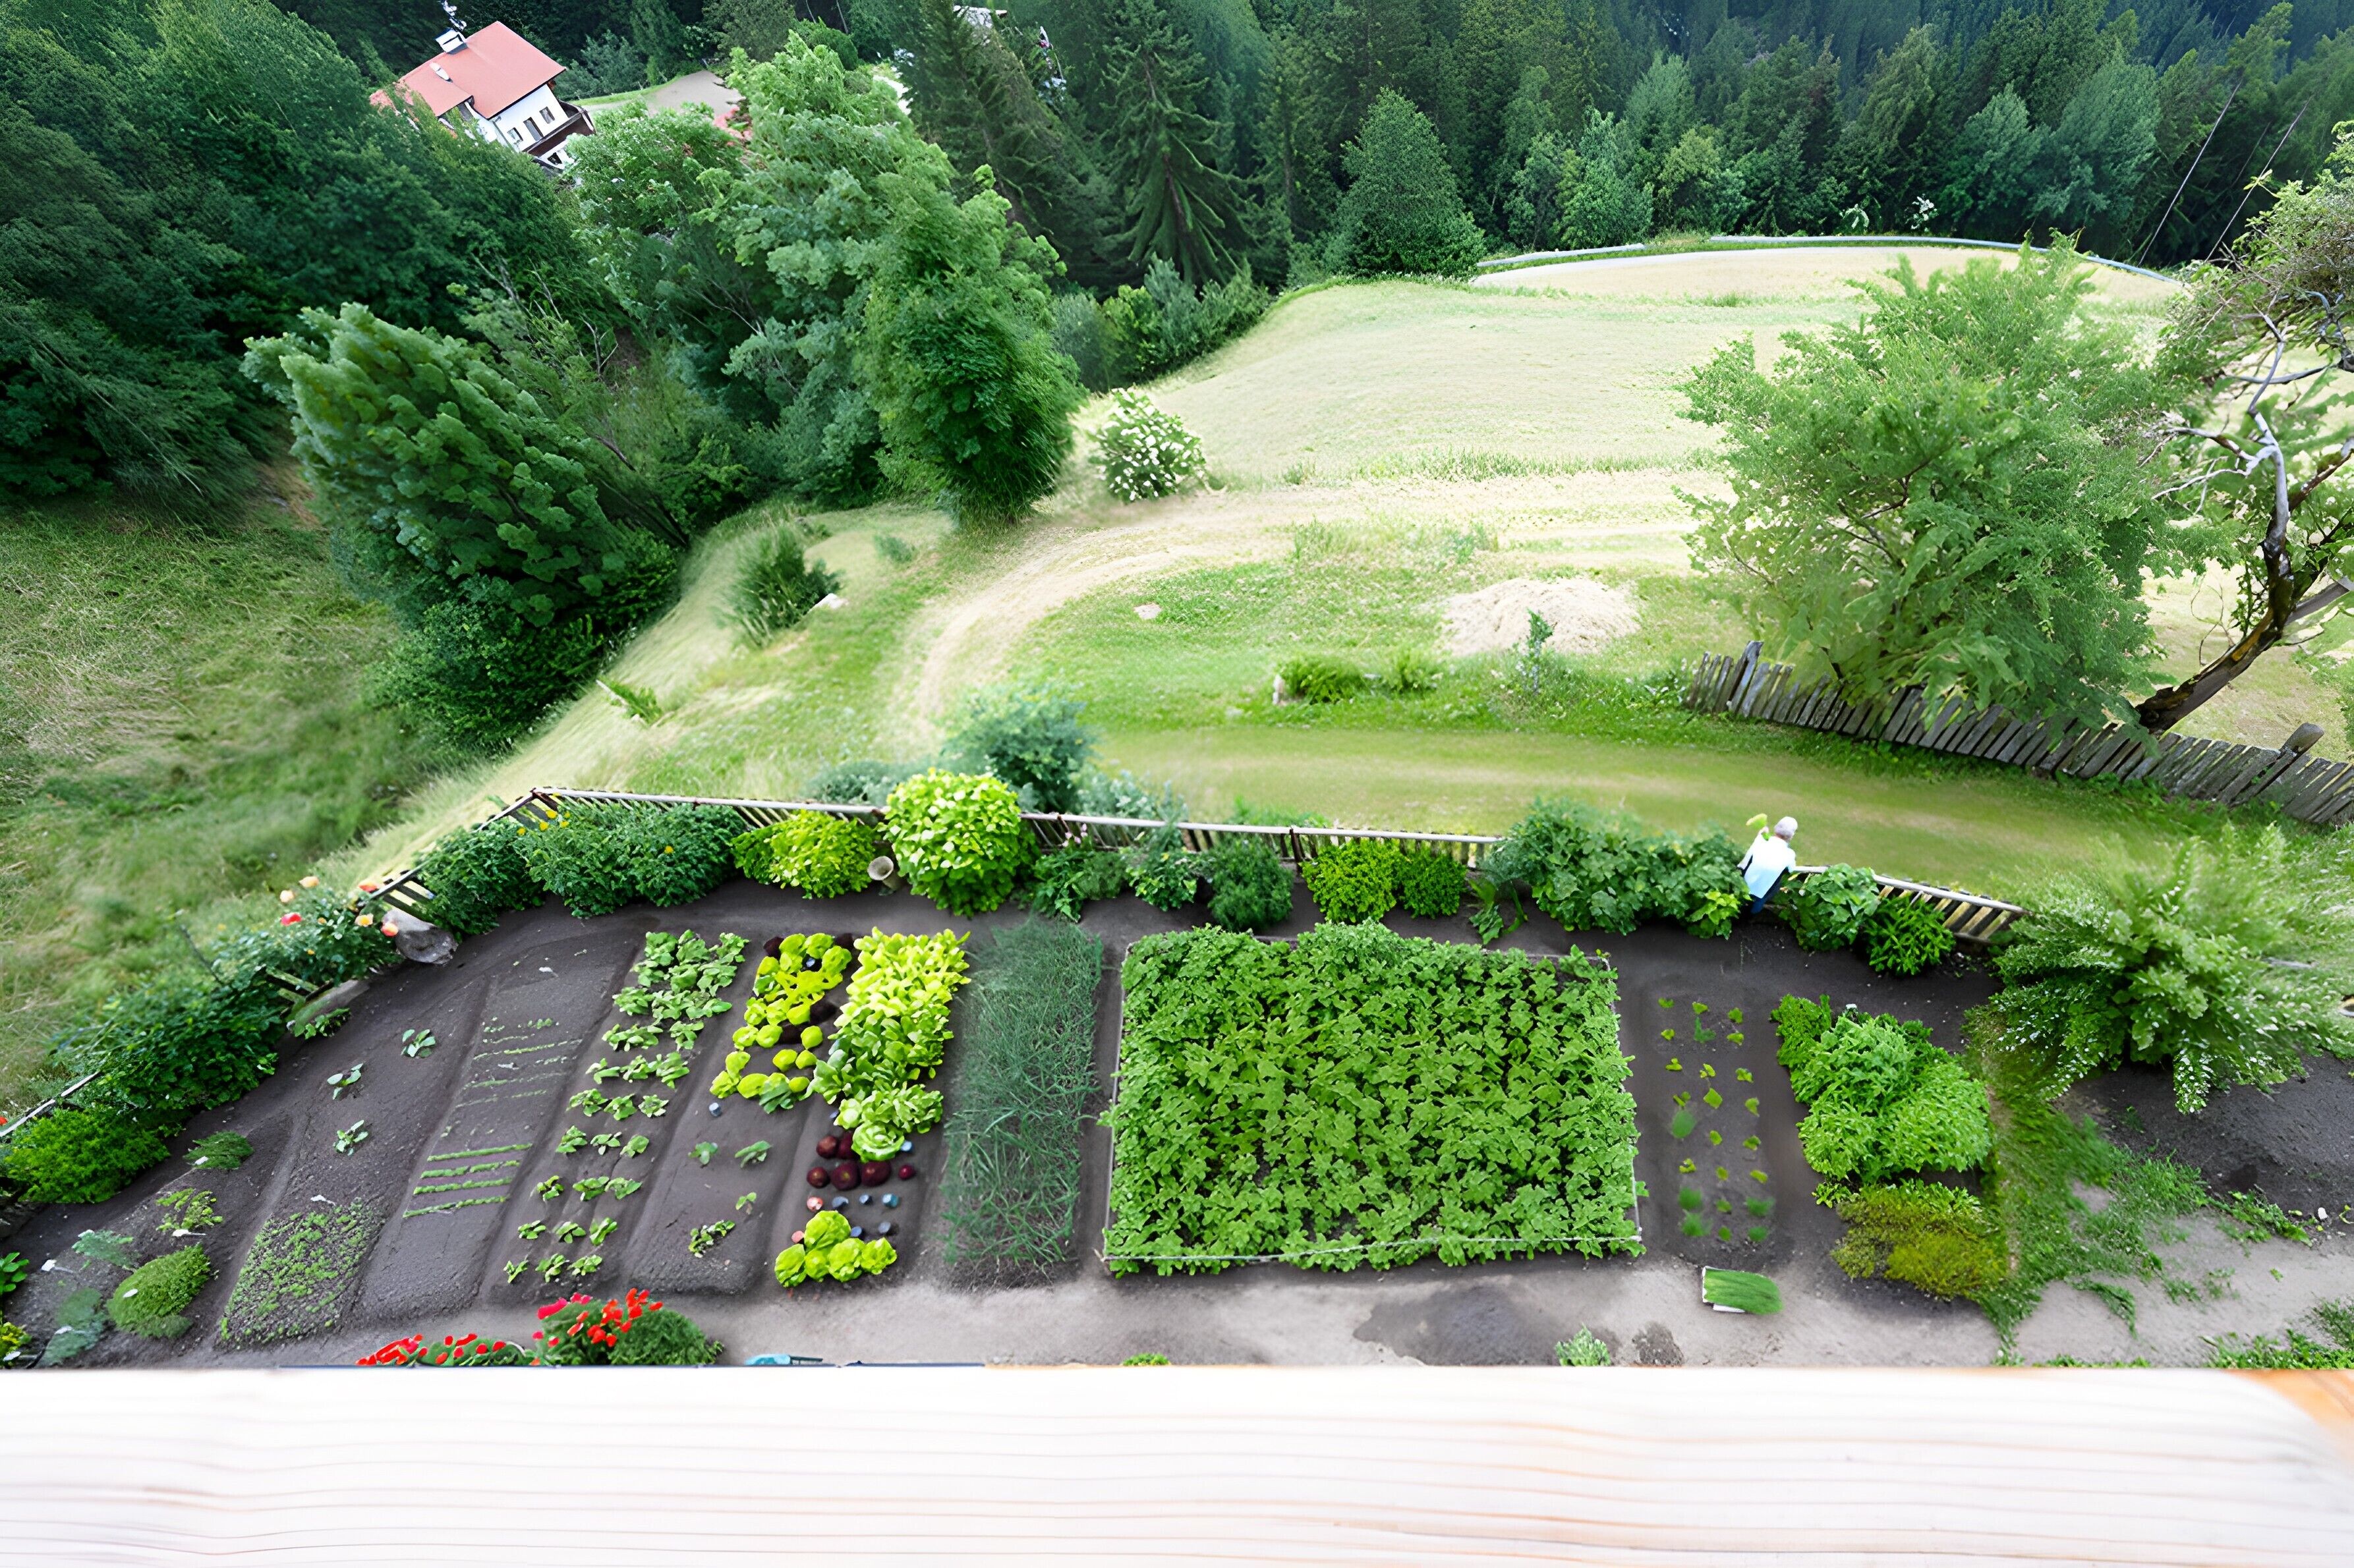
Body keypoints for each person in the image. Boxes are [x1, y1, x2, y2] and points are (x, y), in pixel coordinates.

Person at [1738, 817, 1797, 913]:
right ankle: (1751, 916)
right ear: (1791, 835)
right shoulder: (1790, 854)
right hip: (1764, 889)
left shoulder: (1760, 841)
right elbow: (1791, 870)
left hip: (1746, 882)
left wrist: (1761, 835)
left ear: (1776, 828)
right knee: (1771, 888)